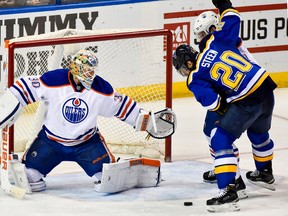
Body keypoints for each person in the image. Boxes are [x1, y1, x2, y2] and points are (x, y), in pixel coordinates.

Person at [0, 49, 175, 193]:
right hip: (50, 142)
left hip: (87, 144)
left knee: (106, 181)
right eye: (87, 69)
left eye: (93, 70)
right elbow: (26, 86)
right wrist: (8, 102)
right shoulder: (53, 80)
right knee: (30, 178)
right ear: (76, 69)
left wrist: (146, 121)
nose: (91, 73)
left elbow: (123, 106)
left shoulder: (101, 89)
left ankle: (131, 173)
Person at [173, 0, 276, 212]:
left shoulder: (195, 76)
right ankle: (265, 173)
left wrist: (226, 110)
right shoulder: (218, 39)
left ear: (189, 63)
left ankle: (230, 187)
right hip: (266, 88)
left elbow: (213, 102)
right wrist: (224, 2)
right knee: (259, 134)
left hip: (246, 99)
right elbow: (233, 16)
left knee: (219, 137)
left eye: (183, 68)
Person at [192, 10, 259, 199]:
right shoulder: (222, 39)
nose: (199, 39)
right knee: (211, 133)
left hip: (238, 96)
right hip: (241, 93)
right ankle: (225, 169)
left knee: (218, 136)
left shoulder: (224, 41)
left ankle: (233, 178)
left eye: (203, 34)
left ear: (213, 29)